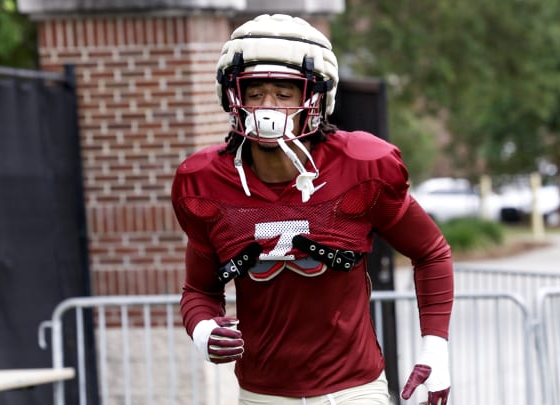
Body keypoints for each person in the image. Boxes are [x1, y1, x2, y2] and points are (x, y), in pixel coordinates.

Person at [171, 13, 454, 405]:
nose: (267, 107)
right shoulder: (205, 181)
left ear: (314, 100)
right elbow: (200, 289)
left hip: (354, 391)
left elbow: (431, 251)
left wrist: (435, 348)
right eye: (254, 93)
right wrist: (203, 329)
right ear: (233, 97)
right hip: (262, 394)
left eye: (285, 94)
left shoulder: (362, 166)